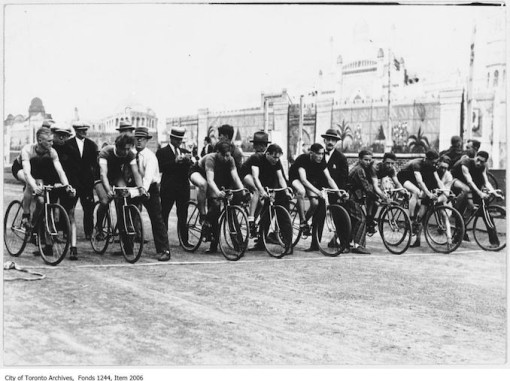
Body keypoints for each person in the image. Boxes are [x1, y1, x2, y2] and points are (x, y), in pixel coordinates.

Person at [11, 127, 75, 255]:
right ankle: (26, 215)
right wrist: (34, 186)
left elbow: (60, 171)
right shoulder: (27, 150)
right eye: (49, 141)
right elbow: (27, 173)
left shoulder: (52, 151)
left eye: (52, 141)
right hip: (21, 169)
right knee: (30, 183)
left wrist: (67, 185)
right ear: (40, 141)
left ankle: (33, 226)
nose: (52, 143)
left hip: (38, 170)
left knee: (41, 201)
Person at [189, 141, 247, 253]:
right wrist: (217, 192)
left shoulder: (230, 159)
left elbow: (235, 177)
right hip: (198, 172)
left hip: (215, 177)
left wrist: (243, 191)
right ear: (217, 152)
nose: (226, 158)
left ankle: (213, 238)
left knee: (217, 206)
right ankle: (203, 215)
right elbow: (210, 180)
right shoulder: (211, 159)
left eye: (228, 155)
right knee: (204, 186)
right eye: (224, 155)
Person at [288, 143, 341, 251]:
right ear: (311, 153)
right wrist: (317, 191)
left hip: (309, 180)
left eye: (322, 154)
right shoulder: (303, 158)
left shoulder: (321, 161)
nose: (321, 156)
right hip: (296, 178)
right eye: (318, 154)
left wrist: (339, 192)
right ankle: (302, 221)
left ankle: (306, 223)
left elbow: (329, 178)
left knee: (315, 203)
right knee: (301, 191)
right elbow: (303, 180)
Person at [94, 134, 147, 239]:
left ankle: (123, 225)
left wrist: (141, 187)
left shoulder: (130, 154)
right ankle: (99, 227)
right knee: (105, 201)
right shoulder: (106, 152)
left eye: (129, 149)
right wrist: (108, 190)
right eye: (124, 149)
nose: (127, 152)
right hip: (100, 177)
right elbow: (103, 174)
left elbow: (136, 172)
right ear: (117, 146)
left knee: (124, 194)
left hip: (116, 175)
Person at [133, 127, 172, 261]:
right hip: (135, 186)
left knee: (156, 218)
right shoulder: (131, 154)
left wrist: (143, 190)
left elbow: (148, 177)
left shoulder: (150, 156)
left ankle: (164, 250)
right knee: (129, 213)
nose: (139, 142)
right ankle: (127, 248)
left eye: (141, 139)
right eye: (136, 139)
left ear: (146, 141)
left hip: (150, 188)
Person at [240, 143, 289, 244]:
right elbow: (255, 177)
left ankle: (258, 227)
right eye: (274, 157)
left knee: (263, 203)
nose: (276, 160)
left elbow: (280, 178)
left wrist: (286, 191)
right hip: (246, 174)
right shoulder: (257, 158)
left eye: (278, 158)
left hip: (262, 178)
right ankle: (251, 219)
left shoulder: (277, 161)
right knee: (257, 190)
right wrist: (262, 191)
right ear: (268, 154)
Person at [397, 150, 446, 247]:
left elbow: (438, 181)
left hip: (413, 180)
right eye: (433, 162)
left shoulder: (432, 165)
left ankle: (416, 222)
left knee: (420, 204)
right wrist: (428, 194)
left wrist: (445, 192)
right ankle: (411, 219)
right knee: (416, 192)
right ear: (426, 159)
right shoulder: (417, 164)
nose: (434, 164)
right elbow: (420, 182)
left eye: (436, 162)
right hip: (404, 178)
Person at [451, 150, 500, 245]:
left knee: (486, 212)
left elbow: (486, 182)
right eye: (478, 160)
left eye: (482, 162)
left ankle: (494, 242)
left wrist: (494, 192)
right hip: (456, 184)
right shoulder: (466, 162)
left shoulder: (483, 167)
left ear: (485, 162)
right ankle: (458, 234)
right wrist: (479, 192)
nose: (479, 163)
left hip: (471, 186)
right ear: (475, 156)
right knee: (461, 207)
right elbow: (469, 181)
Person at [156, 127, 193, 247]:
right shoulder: (162, 152)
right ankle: (163, 241)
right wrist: (175, 161)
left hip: (183, 187)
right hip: (168, 187)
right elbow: (161, 168)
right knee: (164, 214)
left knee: (183, 215)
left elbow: (188, 170)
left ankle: (184, 241)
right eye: (177, 139)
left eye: (180, 139)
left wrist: (188, 161)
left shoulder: (184, 151)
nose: (179, 142)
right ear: (171, 138)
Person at [64, 121, 98, 242]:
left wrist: (92, 179)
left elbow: (95, 164)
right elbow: (65, 164)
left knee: (89, 208)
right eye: (81, 130)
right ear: (76, 131)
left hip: (86, 182)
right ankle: (67, 232)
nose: (84, 132)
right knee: (69, 207)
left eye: (85, 130)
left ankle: (89, 233)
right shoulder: (67, 144)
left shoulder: (91, 145)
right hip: (73, 181)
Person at [347, 150, 386, 254]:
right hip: (351, 197)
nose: (368, 162)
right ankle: (358, 246)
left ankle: (337, 241)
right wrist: (379, 197)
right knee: (361, 219)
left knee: (353, 220)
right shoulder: (359, 170)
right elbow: (367, 188)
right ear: (360, 159)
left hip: (355, 197)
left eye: (369, 160)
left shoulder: (362, 169)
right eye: (365, 160)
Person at [365, 152, 406, 234]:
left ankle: (370, 220)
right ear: (383, 161)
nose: (390, 165)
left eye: (392, 163)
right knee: (373, 198)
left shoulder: (392, 169)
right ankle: (368, 220)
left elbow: (397, 183)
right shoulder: (375, 167)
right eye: (387, 163)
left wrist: (403, 191)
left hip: (375, 180)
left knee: (377, 202)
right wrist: (384, 197)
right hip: (366, 179)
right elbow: (375, 186)